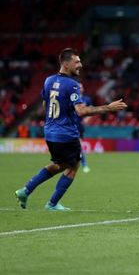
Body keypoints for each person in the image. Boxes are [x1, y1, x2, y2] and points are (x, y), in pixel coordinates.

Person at [14, 48, 128, 211]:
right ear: (66, 64)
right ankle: (51, 204)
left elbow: (46, 105)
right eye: (77, 62)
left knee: (58, 165)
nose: (80, 65)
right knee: (73, 166)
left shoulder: (49, 80)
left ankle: (26, 190)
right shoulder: (72, 85)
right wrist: (108, 108)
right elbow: (81, 111)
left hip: (50, 132)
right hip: (65, 133)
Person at [78, 83, 93, 173]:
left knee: (78, 146)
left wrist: (87, 118)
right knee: (76, 146)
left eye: (81, 87)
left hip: (79, 125)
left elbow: (91, 111)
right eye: (78, 87)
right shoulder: (71, 98)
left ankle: (83, 164)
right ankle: (84, 164)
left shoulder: (87, 99)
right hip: (70, 124)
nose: (80, 88)